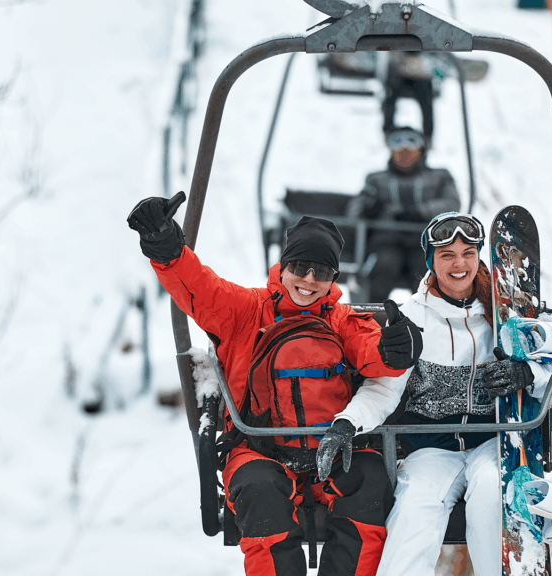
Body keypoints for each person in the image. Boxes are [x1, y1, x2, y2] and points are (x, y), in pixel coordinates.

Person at [127, 194, 423, 576]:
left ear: (334, 278)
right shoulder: (243, 311)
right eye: (300, 266)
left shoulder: (342, 320)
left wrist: (395, 350)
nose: (309, 280)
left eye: (322, 271)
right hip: (260, 450)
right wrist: (165, 245)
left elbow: (370, 350)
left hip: (331, 455)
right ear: (282, 267)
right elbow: (198, 288)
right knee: (257, 488)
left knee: (370, 480)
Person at [340, 212, 552, 576]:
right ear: (431, 262)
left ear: (481, 255)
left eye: (468, 252)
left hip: (493, 444)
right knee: (413, 514)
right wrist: (347, 423)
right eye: (447, 254)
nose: (459, 263)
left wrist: (526, 372)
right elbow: (383, 391)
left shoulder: (509, 313)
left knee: (490, 492)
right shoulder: (411, 319)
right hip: (430, 449)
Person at [345, 127, 460, 302]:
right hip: (387, 242)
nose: (404, 155)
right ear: (391, 152)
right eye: (398, 150)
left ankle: (429, 319)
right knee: (384, 266)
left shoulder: (439, 178)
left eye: (410, 149)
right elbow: (354, 210)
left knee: (425, 272)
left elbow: (452, 204)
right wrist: (368, 210)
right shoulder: (376, 180)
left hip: (426, 244)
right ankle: (371, 318)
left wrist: (420, 212)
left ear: (420, 151)